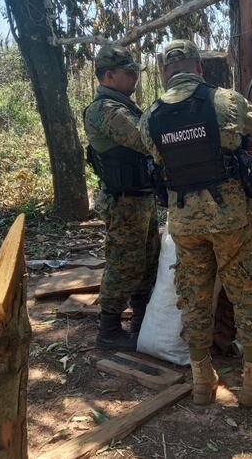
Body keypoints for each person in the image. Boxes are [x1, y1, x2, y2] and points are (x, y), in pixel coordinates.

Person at [138, 39, 252, 407]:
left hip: (184, 222)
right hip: (229, 217)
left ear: (164, 73)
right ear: (199, 67)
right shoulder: (225, 100)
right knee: (247, 291)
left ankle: (202, 381)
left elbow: (156, 157)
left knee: (194, 296)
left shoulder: (150, 116)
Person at [84, 45, 160, 351]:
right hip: (124, 200)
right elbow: (144, 140)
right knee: (123, 263)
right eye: (129, 73)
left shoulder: (124, 105)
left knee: (146, 261)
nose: (135, 78)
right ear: (109, 75)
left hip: (140, 196)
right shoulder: (105, 110)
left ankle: (140, 322)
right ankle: (109, 330)